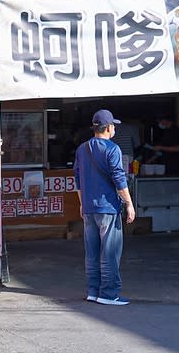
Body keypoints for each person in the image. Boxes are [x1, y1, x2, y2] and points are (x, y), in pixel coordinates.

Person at [73, 109, 136, 306]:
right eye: (113, 126)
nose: (115, 128)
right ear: (108, 128)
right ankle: (109, 294)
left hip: (89, 208)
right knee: (110, 251)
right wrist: (129, 204)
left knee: (92, 252)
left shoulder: (82, 149)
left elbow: (77, 180)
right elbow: (119, 179)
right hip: (107, 207)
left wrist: (82, 203)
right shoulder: (112, 149)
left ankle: (93, 290)